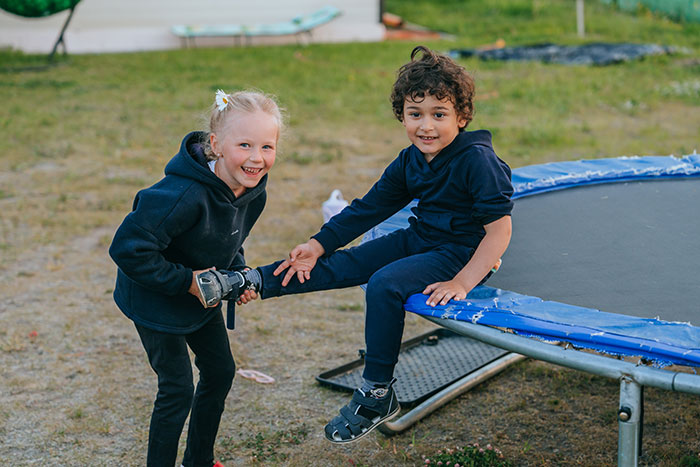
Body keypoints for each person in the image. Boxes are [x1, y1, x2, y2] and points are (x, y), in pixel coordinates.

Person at [240, 45, 513, 443]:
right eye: (415, 114)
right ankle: (253, 281)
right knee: (346, 262)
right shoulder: (411, 160)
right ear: (401, 115)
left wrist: (464, 281)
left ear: (462, 117)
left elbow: (499, 232)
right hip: (422, 238)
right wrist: (318, 244)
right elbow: (369, 208)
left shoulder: (476, 160)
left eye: (439, 115)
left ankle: (377, 394)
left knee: (385, 283)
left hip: (462, 252)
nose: (426, 126)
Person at [108, 89, 283, 467]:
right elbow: (126, 249)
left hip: (198, 298)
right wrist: (186, 281)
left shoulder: (253, 191)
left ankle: (199, 460)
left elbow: (230, 238)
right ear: (217, 145)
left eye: (267, 147)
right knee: (176, 390)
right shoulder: (181, 194)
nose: (257, 158)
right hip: (155, 299)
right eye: (245, 145)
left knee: (220, 372)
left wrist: (237, 273)